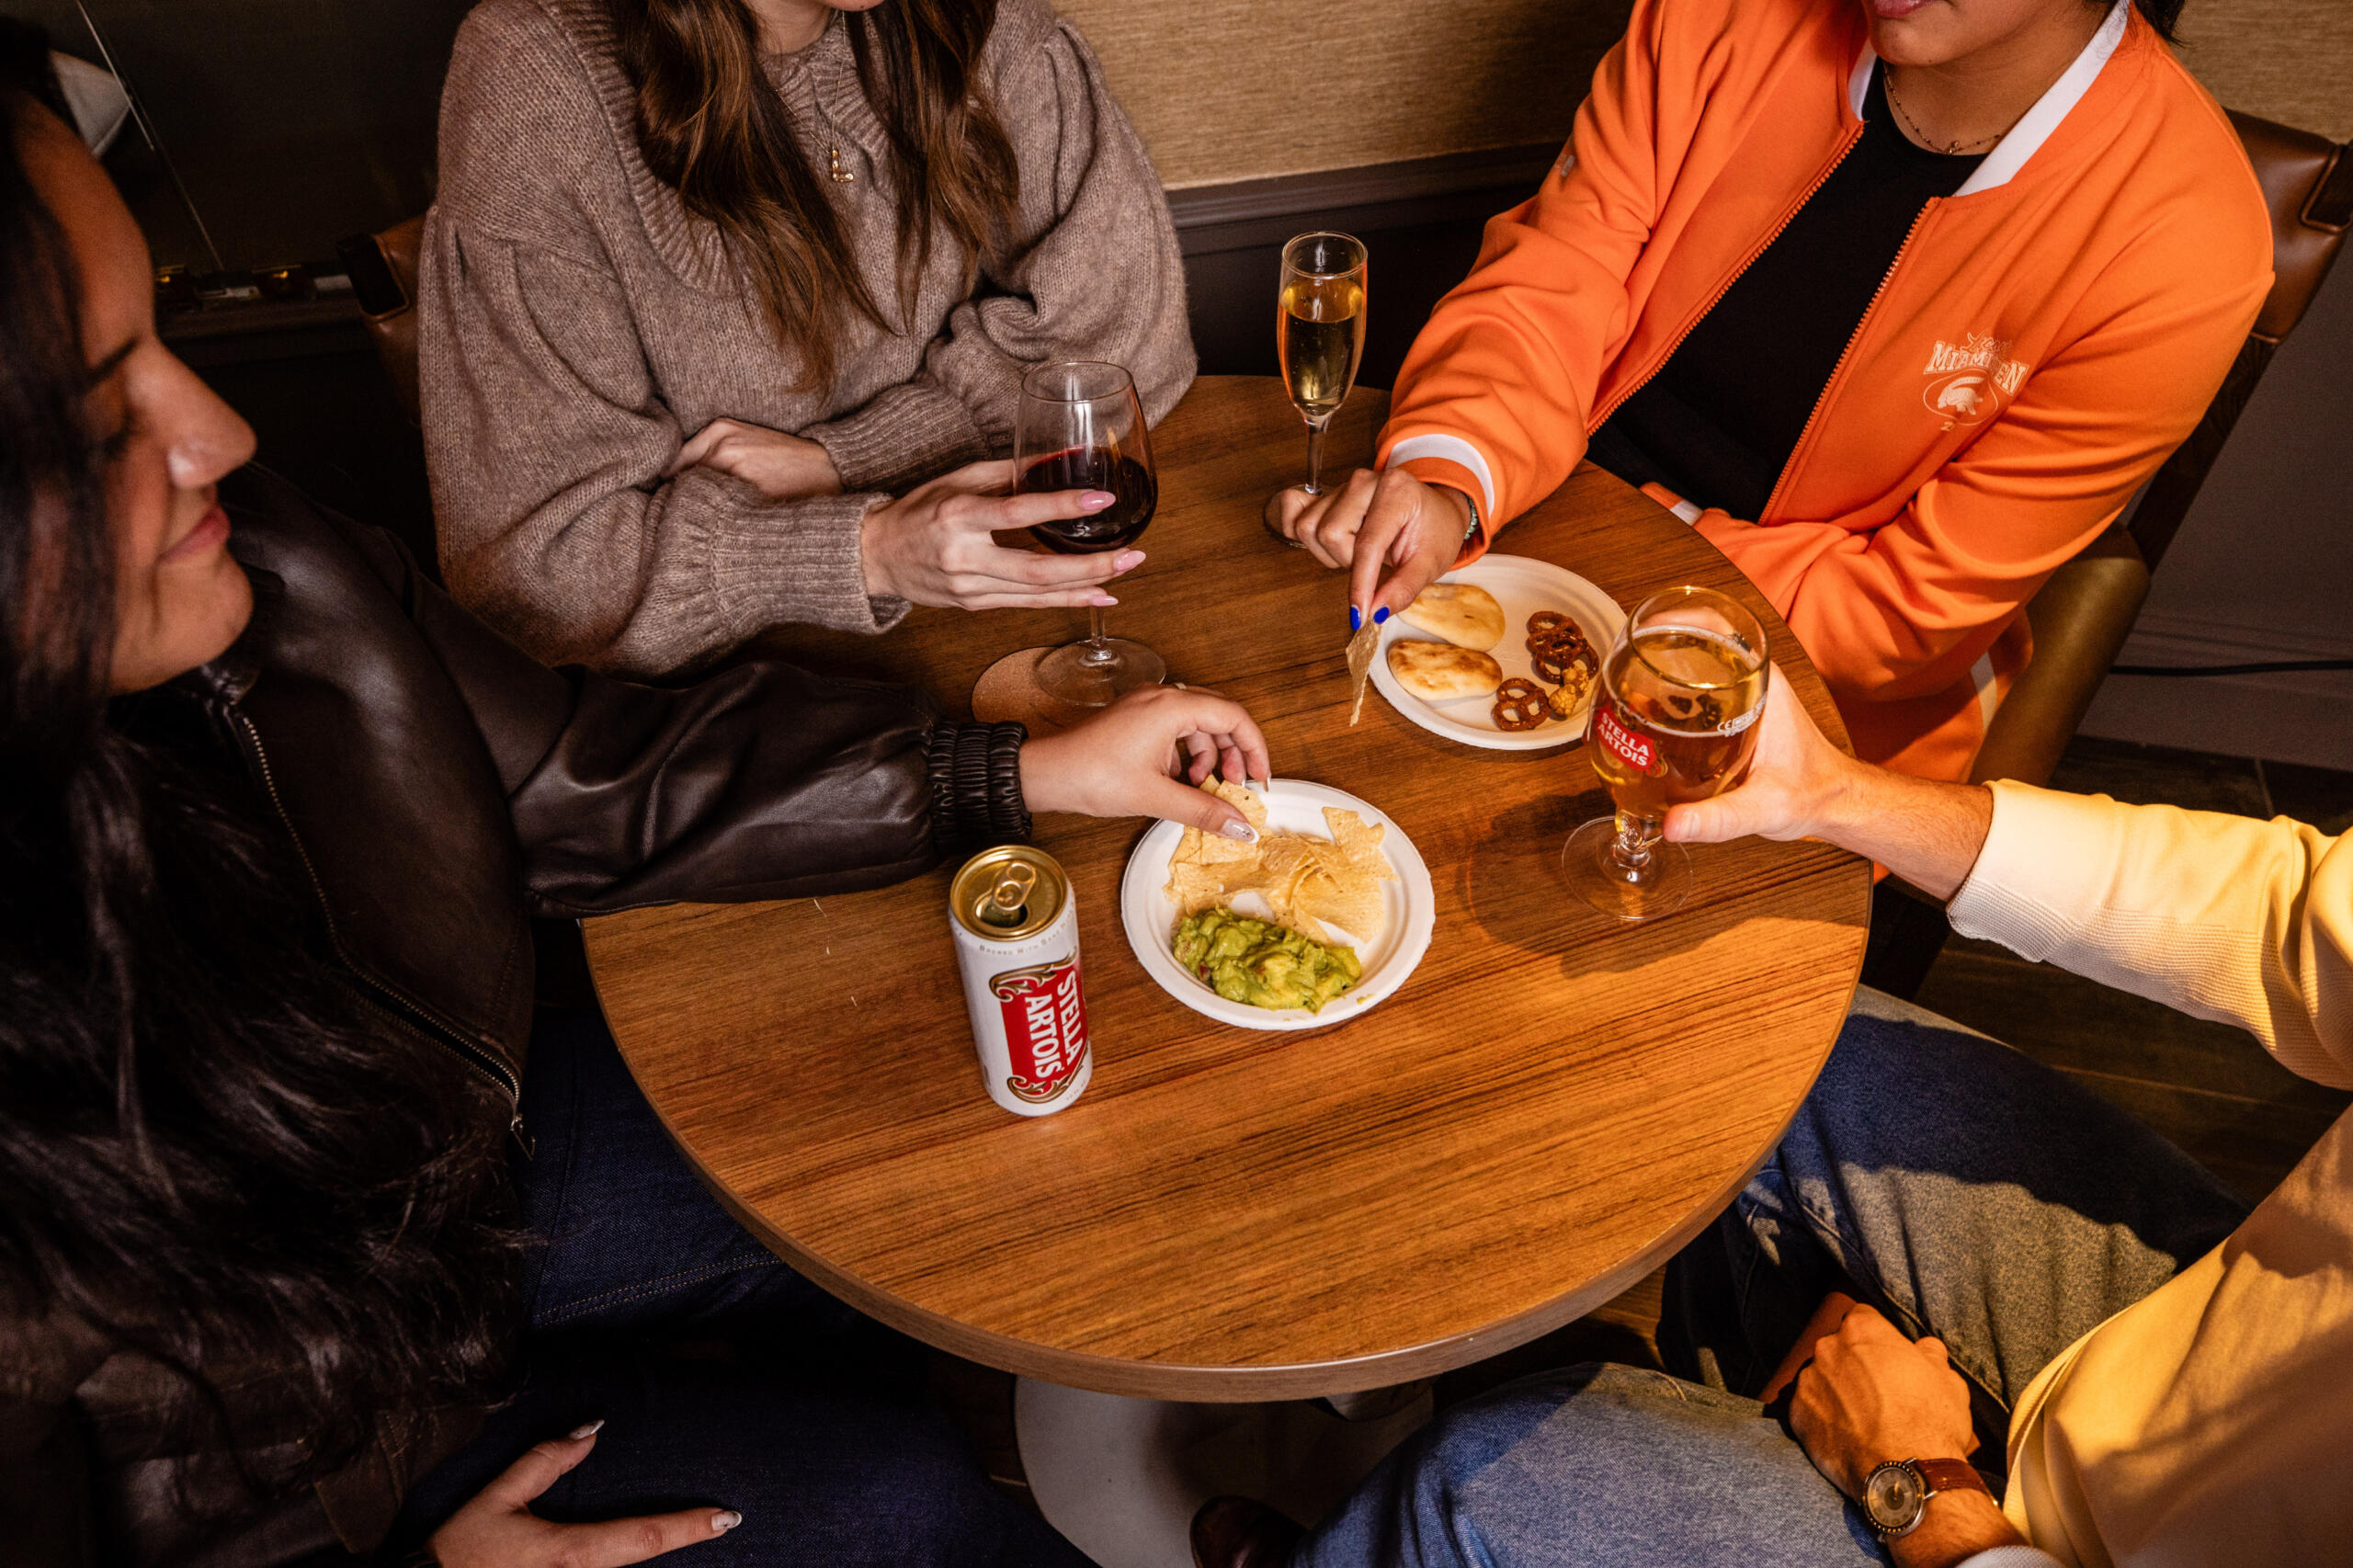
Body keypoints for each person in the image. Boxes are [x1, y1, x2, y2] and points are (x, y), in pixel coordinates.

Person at [0, 36, 1267, 1568]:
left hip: (463, 1187)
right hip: (321, 1462)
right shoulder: (542, 80)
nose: (223, 433)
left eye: (163, 345)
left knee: (935, 1154)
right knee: (906, 1512)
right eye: (99, 417)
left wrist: (1013, 773)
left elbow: (576, 771)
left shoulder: (260, 556)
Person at [1190, 661, 2349, 1567]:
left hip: (2074, 1540)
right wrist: (1845, 796)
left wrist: (1917, 1489)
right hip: (2215, 1329)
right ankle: (1721, 1420)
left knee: (1472, 1486)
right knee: (1765, 1043)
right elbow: (2287, 914)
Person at [1273, 0, 2272, 782]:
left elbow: (1899, 615)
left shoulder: (2187, 241)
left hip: (1784, 706)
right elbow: (1552, 280)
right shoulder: (1723, 14)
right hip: (1517, 548)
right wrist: (1448, 475)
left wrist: (1603, 542)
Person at [420, 0, 1196, 674]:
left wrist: (844, 463)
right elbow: (539, 583)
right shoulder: (536, 74)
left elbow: (1126, 336)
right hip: (731, 710)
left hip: (997, 614)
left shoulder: (976, 19)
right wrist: (868, 551)